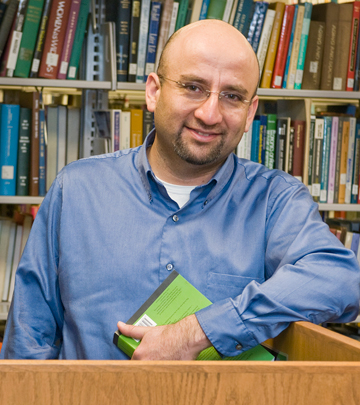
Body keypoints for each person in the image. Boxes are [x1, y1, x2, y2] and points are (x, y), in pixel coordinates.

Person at [1, 20, 359, 360]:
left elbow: (340, 279)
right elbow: (30, 338)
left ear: (250, 114)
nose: (209, 113)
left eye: (232, 96)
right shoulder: (77, 190)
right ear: (154, 91)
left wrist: (199, 332)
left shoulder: (275, 201)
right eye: (193, 87)